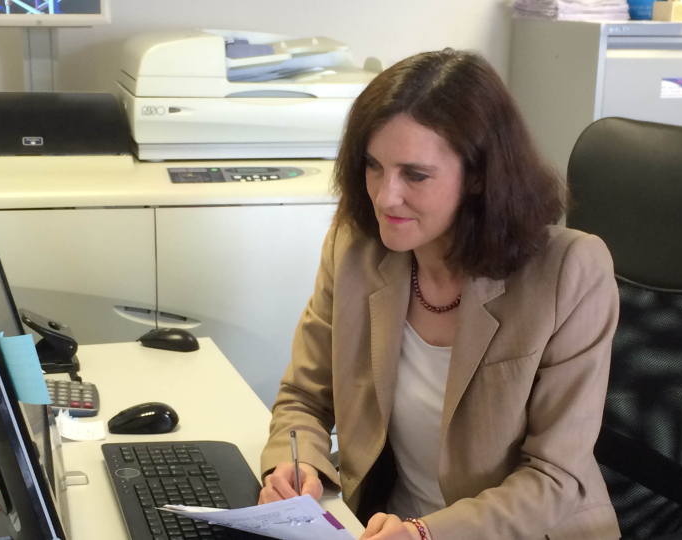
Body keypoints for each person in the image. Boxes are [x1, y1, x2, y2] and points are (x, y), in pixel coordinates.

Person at [258, 48, 621, 540]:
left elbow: (555, 477)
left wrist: (425, 533)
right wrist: (293, 464)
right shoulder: (354, 249)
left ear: (478, 176)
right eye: (373, 165)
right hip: (384, 525)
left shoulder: (570, 271)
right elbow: (304, 397)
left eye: (415, 174)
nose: (385, 196)